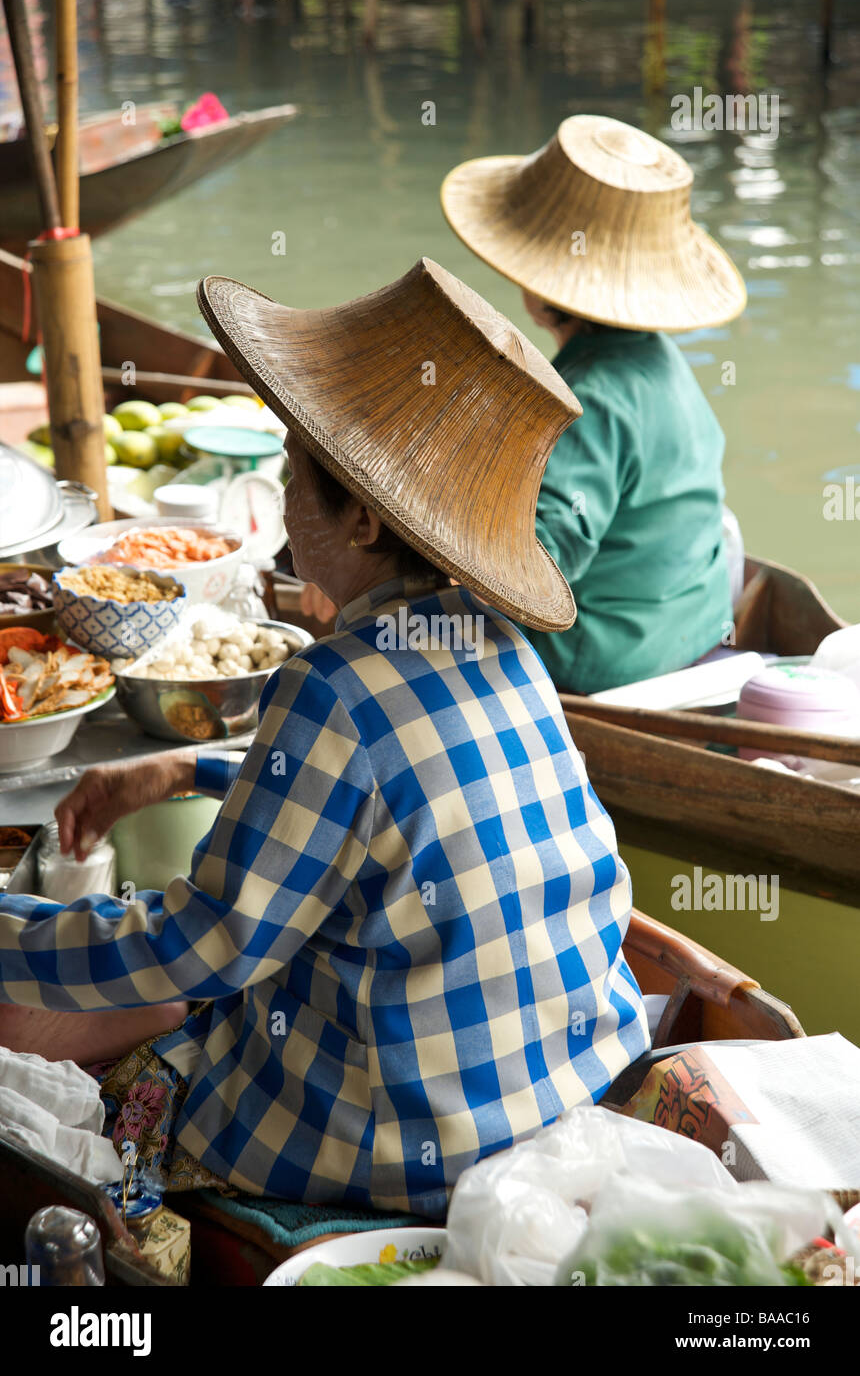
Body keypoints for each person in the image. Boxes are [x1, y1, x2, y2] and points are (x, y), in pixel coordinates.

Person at [0, 259, 648, 1219]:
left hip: (400, 1146)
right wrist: (186, 766)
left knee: (97, 1036)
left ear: (365, 514)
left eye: (291, 467)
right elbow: (390, 793)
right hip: (567, 1087)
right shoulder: (497, 642)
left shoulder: (329, 685)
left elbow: (202, 949)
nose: (277, 493)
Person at [441, 115, 747, 695]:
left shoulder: (588, 399)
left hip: (603, 664)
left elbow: (540, 568)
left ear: (544, 282)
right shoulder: (661, 361)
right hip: (694, 624)